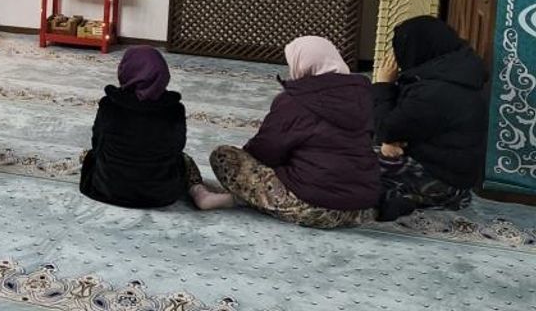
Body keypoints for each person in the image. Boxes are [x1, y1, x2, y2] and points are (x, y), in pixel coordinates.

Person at [209, 36, 379, 229]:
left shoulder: (295, 100)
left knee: (224, 156)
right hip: (360, 208)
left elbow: (265, 151)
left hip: (314, 207)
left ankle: (244, 199)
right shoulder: (364, 94)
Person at [80, 46, 233, 210]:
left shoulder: (109, 104)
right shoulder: (174, 109)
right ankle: (199, 193)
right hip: (159, 195)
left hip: (107, 190)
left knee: (90, 155)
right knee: (185, 159)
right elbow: (176, 149)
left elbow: (98, 143)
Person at [372, 15, 487, 220]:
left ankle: (394, 198)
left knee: (348, 157)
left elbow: (385, 129)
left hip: (441, 184)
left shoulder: (435, 90)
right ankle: (397, 197)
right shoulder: (454, 72)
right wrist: (391, 139)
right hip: (454, 180)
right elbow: (398, 125)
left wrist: (383, 85)